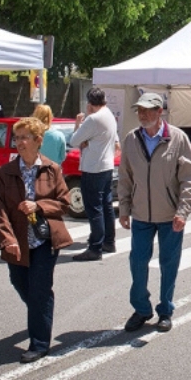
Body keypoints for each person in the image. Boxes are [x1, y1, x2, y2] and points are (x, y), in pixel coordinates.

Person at [0, 117, 72, 364]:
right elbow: (0, 210)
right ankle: (41, 314)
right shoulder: (5, 172)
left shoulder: (52, 169)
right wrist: (7, 239)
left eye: (24, 137)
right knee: (19, 283)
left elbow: (64, 203)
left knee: (39, 290)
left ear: (38, 141)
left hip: (43, 240)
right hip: (17, 242)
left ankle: (39, 343)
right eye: (16, 138)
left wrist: (37, 205)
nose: (19, 143)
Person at [118, 93, 191, 334]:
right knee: (138, 262)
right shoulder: (132, 139)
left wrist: (183, 211)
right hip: (141, 214)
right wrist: (124, 208)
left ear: (159, 112)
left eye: (147, 110)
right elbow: (125, 177)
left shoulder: (177, 138)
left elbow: (189, 179)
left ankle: (165, 310)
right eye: (139, 110)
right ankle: (142, 308)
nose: (142, 115)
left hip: (170, 214)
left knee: (168, 263)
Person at [70, 87, 120, 261]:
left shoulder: (92, 119)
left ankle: (95, 247)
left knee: (94, 208)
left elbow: (74, 140)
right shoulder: (109, 115)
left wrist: (79, 125)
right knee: (106, 206)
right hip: (106, 165)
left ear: (90, 103)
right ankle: (109, 241)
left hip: (93, 167)